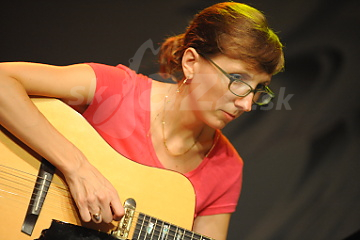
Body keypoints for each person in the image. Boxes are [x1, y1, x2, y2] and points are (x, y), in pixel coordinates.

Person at [0, 2, 284, 239]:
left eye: (259, 89)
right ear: (191, 63)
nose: (247, 103)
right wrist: (77, 168)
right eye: (237, 79)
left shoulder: (227, 168)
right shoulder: (117, 90)